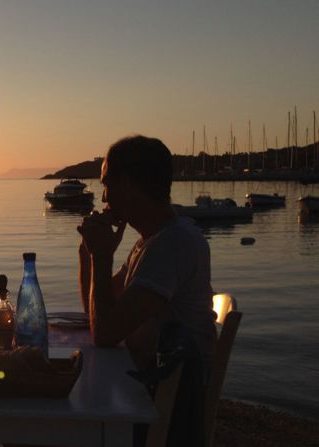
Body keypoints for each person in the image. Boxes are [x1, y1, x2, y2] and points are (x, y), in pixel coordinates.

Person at [76, 135, 217, 444]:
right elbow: (97, 313)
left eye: (106, 184)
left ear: (128, 183)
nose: (103, 199)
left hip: (163, 415)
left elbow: (104, 333)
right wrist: (88, 254)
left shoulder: (172, 245)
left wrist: (102, 259)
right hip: (145, 392)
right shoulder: (149, 242)